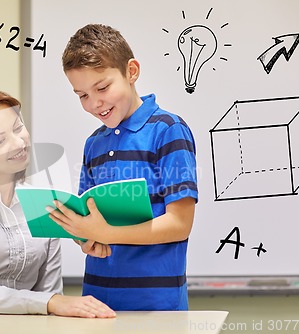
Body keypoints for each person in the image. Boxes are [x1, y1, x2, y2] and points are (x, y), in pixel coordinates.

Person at [0, 87, 115, 318]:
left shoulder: (44, 203)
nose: (18, 143)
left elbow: (50, 293)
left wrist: (54, 303)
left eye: (18, 128)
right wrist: (52, 302)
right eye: (0, 140)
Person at [47, 24, 198, 311]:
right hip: (97, 301)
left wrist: (106, 233)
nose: (95, 103)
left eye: (102, 87)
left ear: (131, 72)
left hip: (157, 307)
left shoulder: (168, 130)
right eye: (82, 95)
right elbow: (89, 218)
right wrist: (87, 239)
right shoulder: (94, 143)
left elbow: (180, 224)